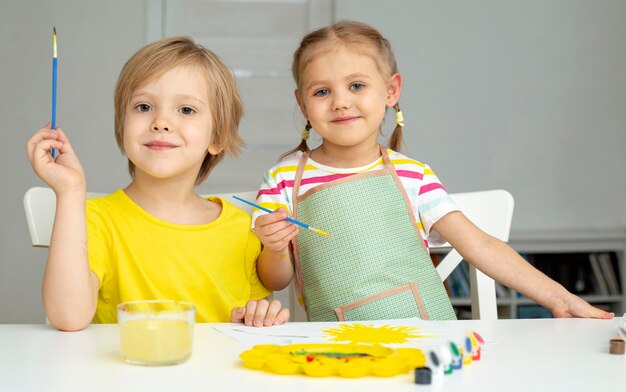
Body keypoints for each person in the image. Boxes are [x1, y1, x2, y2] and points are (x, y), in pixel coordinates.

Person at [252, 20, 614, 322]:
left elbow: (480, 245)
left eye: (357, 85)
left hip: (427, 339)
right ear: (302, 103)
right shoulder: (283, 180)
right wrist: (275, 247)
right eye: (321, 92)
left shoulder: (414, 175)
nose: (341, 101)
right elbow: (274, 279)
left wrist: (559, 297)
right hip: (339, 350)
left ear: (391, 91)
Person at [26, 36, 289, 331]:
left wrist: (260, 316)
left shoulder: (243, 230)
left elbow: (255, 320)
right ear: (122, 126)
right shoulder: (94, 220)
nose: (161, 121)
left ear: (217, 138)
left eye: (186, 110)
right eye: (143, 107)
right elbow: (68, 317)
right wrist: (70, 192)